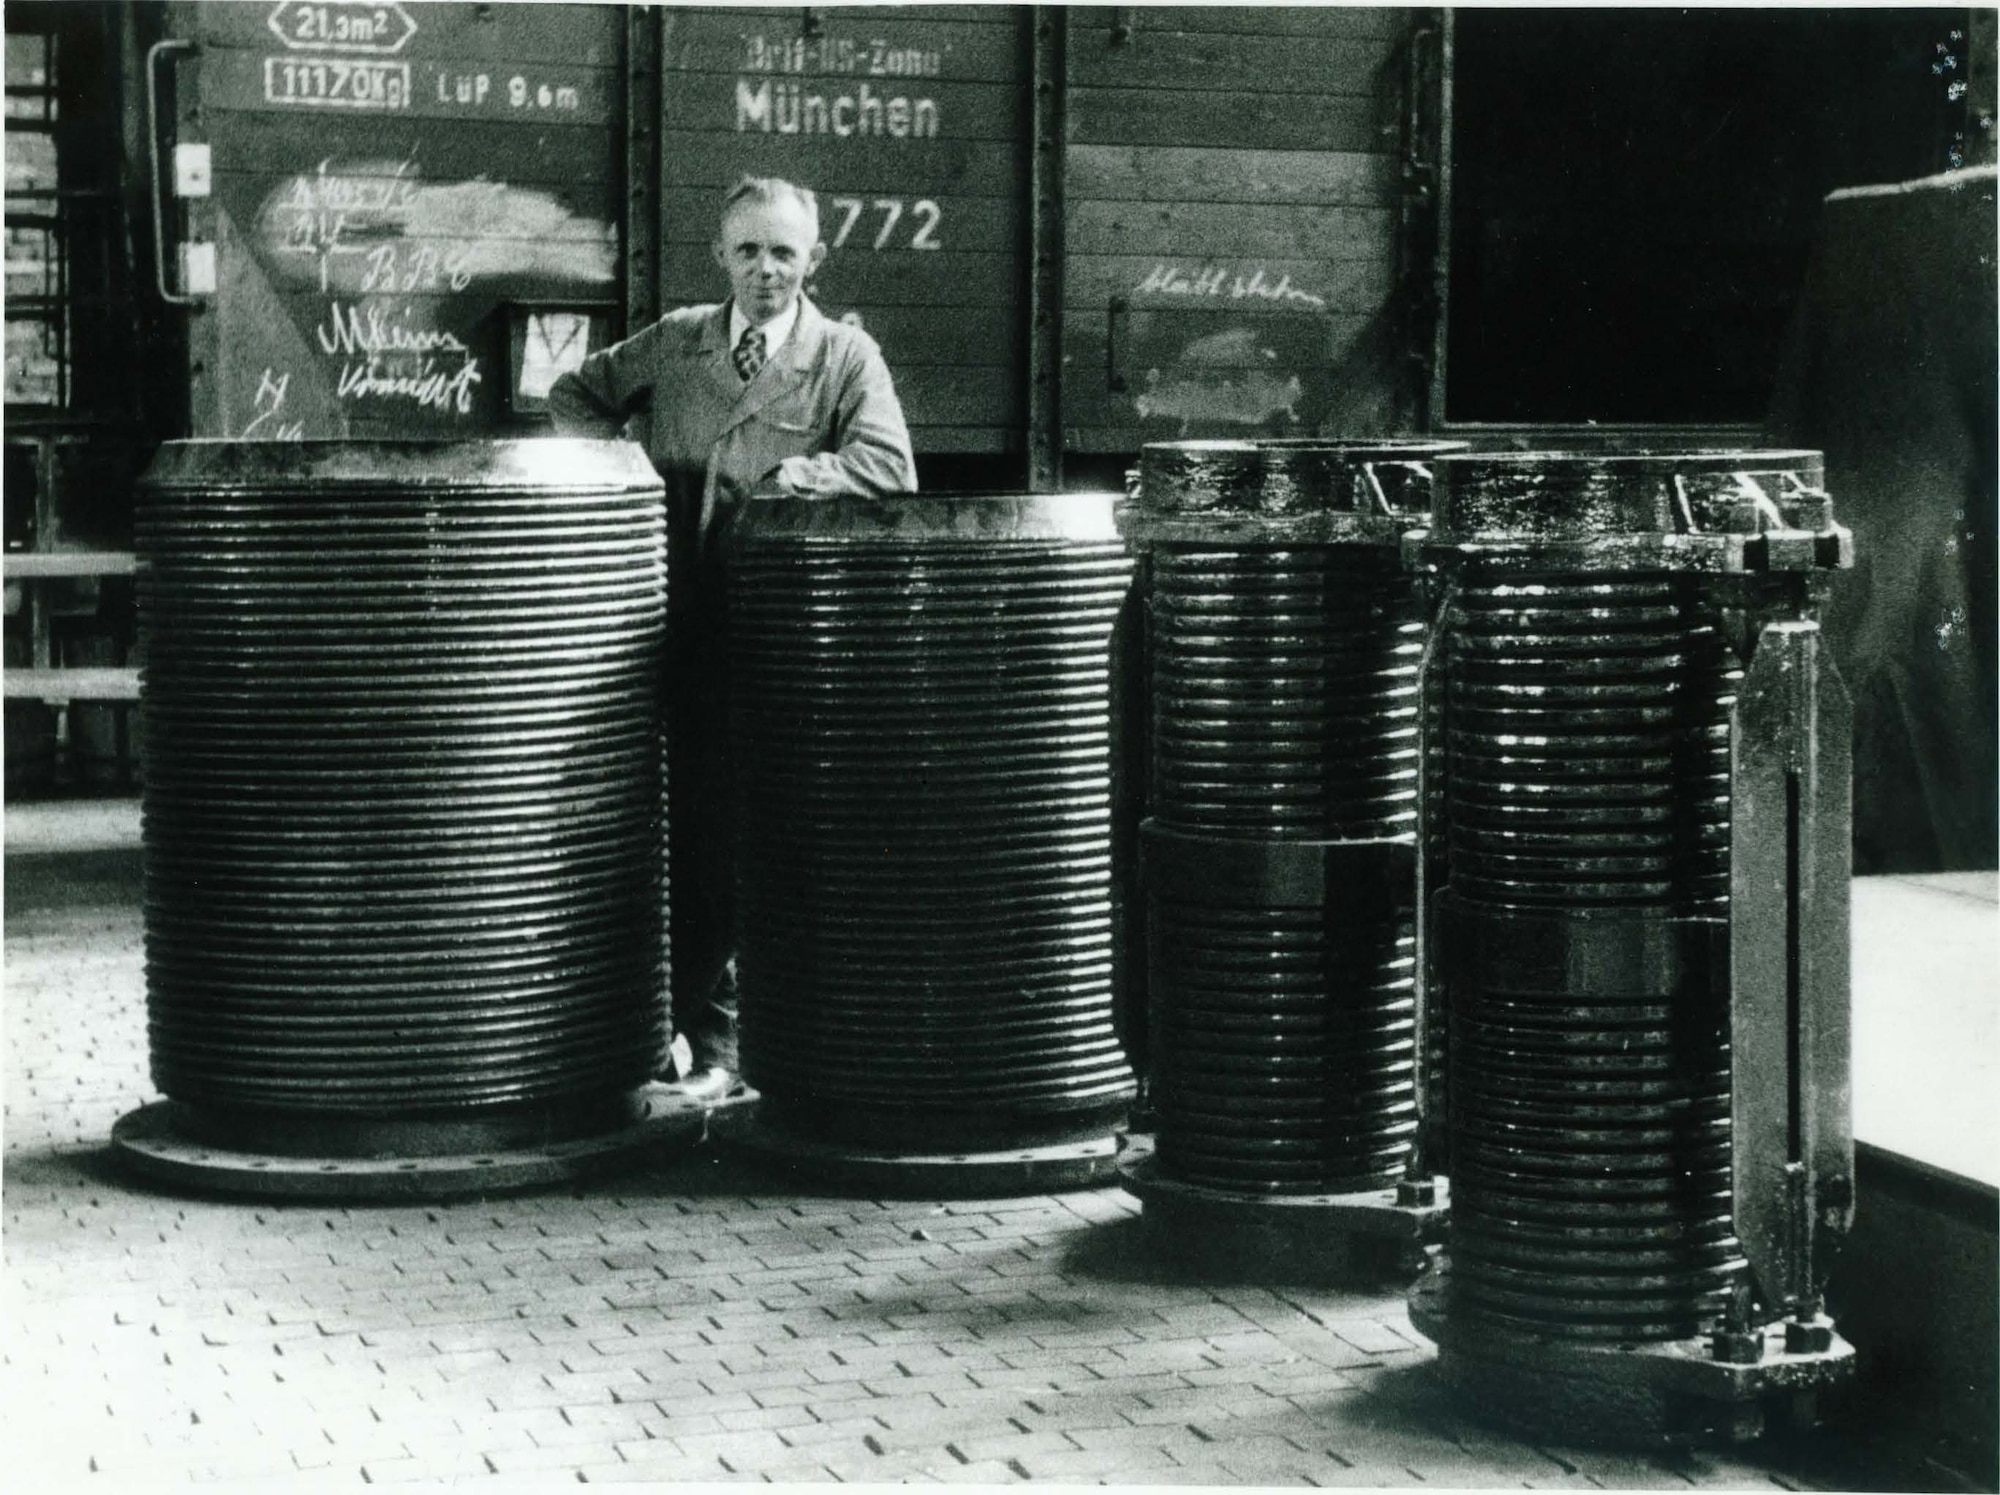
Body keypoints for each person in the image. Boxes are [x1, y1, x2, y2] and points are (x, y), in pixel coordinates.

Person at [549, 176, 917, 1082]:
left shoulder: (844, 356)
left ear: (813, 260)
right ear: (721, 256)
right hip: (664, 628)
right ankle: (677, 1033)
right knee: (666, 829)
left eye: (784, 253)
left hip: (780, 644)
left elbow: (890, 464)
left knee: (746, 836)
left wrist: (809, 476)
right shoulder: (678, 342)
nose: (765, 271)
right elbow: (576, 393)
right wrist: (622, 468)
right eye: (748, 251)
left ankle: (730, 1040)